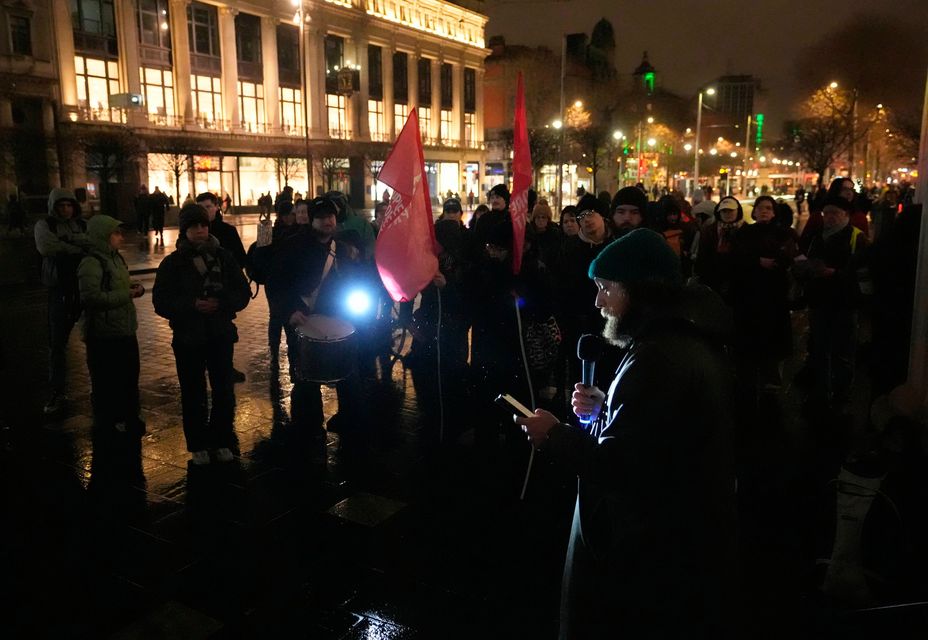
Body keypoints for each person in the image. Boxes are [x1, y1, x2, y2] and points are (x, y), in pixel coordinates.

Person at [517, 229, 736, 638]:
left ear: (640, 289)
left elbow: (625, 468)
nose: (599, 301)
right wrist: (607, 409)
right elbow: (657, 433)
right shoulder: (675, 340)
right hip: (674, 536)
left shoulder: (660, 357)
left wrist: (555, 434)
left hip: (651, 547)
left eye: (606, 288)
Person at [152, 203, 251, 465]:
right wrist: (192, 305)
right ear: (184, 230)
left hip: (220, 334)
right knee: (193, 392)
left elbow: (242, 293)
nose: (200, 230)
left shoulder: (224, 257)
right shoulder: (173, 263)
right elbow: (161, 301)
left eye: (204, 225)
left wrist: (221, 303)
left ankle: (221, 439)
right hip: (188, 337)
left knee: (223, 391)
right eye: (194, 226)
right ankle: (198, 444)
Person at [278, 196, 367, 458]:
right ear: (311, 220)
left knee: (349, 374)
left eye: (331, 217)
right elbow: (278, 284)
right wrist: (290, 311)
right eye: (322, 217)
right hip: (304, 321)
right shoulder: (294, 248)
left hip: (340, 320)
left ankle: (352, 422)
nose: (328, 221)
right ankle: (308, 429)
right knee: (306, 378)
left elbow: (354, 280)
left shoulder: (342, 248)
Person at [793, 194, 869, 411]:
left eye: (835, 213)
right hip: (819, 301)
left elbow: (863, 273)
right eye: (826, 213)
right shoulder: (818, 237)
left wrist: (835, 274)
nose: (830, 217)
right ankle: (821, 393)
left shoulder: (857, 238)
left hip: (845, 303)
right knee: (819, 349)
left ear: (846, 215)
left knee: (842, 352)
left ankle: (841, 395)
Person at [77, 215, 146, 435]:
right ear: (103, 236)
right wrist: (126, 294)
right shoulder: (91, 262)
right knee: (108, 379)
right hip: (104, 332)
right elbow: (92, 298)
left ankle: (129, 416)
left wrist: (133, 287)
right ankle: (109, 422)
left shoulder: (115, 258)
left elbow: (116, 285)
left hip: (124, 327)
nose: (120, 237)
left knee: (128, 376)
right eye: (116, 233)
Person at [730, 195, 797, 395]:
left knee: (772, 340)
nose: (764, 211)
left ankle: (770, 379)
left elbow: (791, 257)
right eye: (760, 208)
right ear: (755, 211)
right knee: (750, 338)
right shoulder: (745, 233)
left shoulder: (783, 233)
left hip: (774, 297)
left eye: (768, 208)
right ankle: (747, 378)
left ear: (774, 212)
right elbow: (737, 258)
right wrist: (757, 262)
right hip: (749, 296)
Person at [35, 188, 91, 414]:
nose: (66, 210)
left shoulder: (82, 224)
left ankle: (98, 389)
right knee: (57, 343)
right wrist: (76, 246)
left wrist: (69, 242)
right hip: (59, 289)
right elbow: (48, 247)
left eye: (69, 205)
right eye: (61, 206)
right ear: (54, 207)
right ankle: (57, 391)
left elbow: (92, 244)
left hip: (82, 286)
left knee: (94, 339)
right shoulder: (45, 225)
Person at [197, 192, 248, 383]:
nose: (205, 211)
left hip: (223, 292)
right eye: (201, 207)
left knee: (224, 331)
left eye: (208, 207)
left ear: (217, 207)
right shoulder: (195, 231)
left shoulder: (227, 231)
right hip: (201, 294)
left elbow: (240, 258)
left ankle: (226, 366)